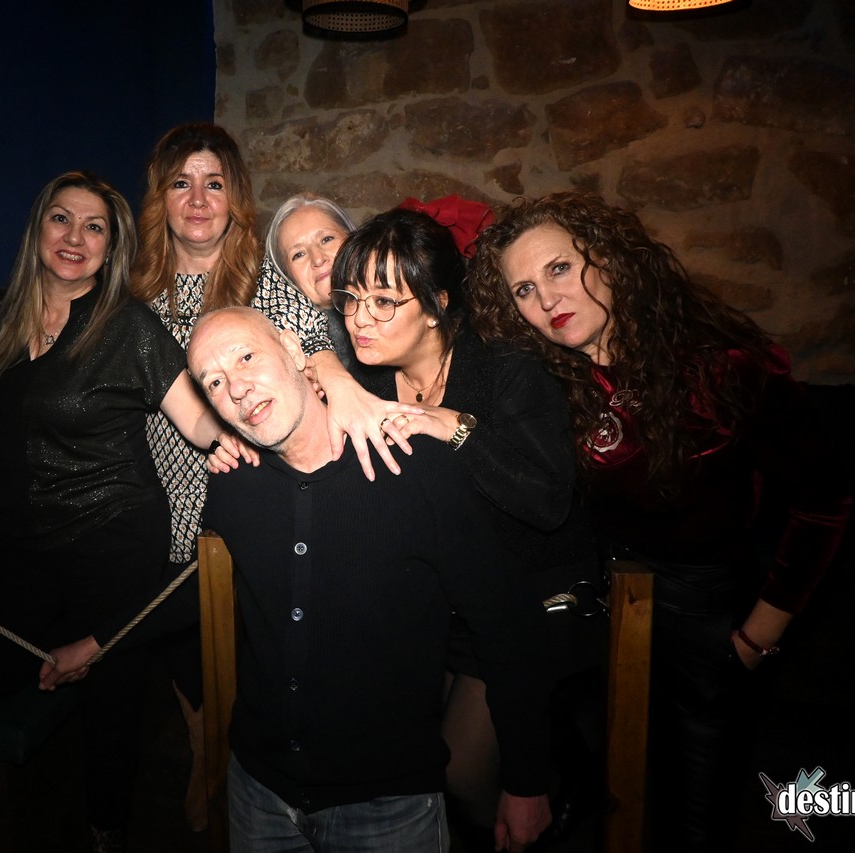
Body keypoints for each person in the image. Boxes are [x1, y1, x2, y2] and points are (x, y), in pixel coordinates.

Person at [42, 306, 539, 852]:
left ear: (295, 350)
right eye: (214, 382)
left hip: (387, 801)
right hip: (259, 793)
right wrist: (97, 643)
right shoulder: (235, 483)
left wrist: (525, 781)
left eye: (246, 357)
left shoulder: (415, 467)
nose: (236, 388)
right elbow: (202, 586)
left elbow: (503, 621)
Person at [465, 191, 853, 852]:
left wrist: (756, 638)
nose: (546, 298)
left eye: (559, 268)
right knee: (604, 802)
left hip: (702, 620)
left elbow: (825, 499)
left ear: (610, 259)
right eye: (524, 289)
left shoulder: (721, 368)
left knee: (692, 823)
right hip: (591, 619)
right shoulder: (548, 378)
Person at [0, 169, 250, 853]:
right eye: (62, 219)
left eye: (95, 228)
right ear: (38, 228)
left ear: (111, 248)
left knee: (111, 708)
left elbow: (198, 419)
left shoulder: (126, 325)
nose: (75, 238)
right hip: (15, 543)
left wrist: (243, 433)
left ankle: (105, 828)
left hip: (111, 538)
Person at [129, 123, 416, 829]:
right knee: (181, 649)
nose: (199, 199)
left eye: (215, 183)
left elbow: (314, 343)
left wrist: (339, 385)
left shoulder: (261, 275)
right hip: (163, 492)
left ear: (236, 197)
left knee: (257, 644)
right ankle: (203, 739)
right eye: (181, 183)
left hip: (249, 489)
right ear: (161, 199)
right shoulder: (140, 292)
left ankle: (237, 760)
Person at [333, 201, 607, 851]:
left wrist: (453, 427)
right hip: (452, 601)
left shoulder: (505, 367)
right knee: (394, 736)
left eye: (382, 301)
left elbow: (547, 503)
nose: (359, 319)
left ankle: (545, 807)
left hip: (537, 596)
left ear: (436, 304)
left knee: (460, 769)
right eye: (350, 299)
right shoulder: (368, 378)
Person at [265, 192, 357, 365]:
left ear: (352, 238)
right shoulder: (287, 350)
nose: (318, 259)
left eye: (326, 239)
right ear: (288, 276)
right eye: (298, 254)